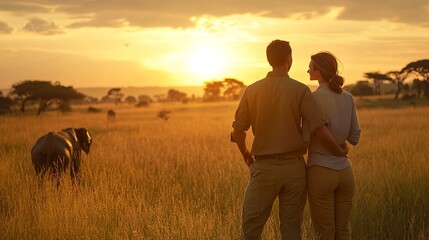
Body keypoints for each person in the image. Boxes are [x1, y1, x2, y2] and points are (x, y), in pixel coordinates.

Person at [231, 40, 347, 240]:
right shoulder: (301, 90)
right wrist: (338, 150)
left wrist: (246, 155)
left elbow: (238, 132)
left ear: (269, 60)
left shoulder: (252, 90)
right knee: (292, 229)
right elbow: (317, 126)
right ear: (288, 59)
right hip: (295, 169)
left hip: (264, 168)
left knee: (250, 229)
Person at [304, 51, 361, 240]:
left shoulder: (313, 98)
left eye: (310, 67)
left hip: (321, 171)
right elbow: (355, 137)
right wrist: (340, 143)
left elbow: (307, 136)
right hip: (345, 172)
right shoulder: (348, 97)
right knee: (343, 231)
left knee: (324, 233)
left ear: (318, 72)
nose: (308, 70)